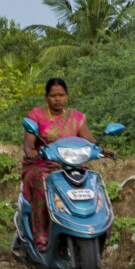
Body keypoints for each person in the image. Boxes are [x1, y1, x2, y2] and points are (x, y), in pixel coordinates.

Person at [22, 76, 94, 253]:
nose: (58, 99)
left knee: (90, 182)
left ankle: (92, 227)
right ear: (47, 97)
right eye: (54, 95)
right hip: (42, 164)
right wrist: (30, 150)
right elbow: (28, 142)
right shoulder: (36, 115)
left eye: (61, 95)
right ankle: (40, 234)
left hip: (71, 165)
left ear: (67, 96)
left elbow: (90, 141)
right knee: (40, 180)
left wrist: (102, 150)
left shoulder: (76, 117)